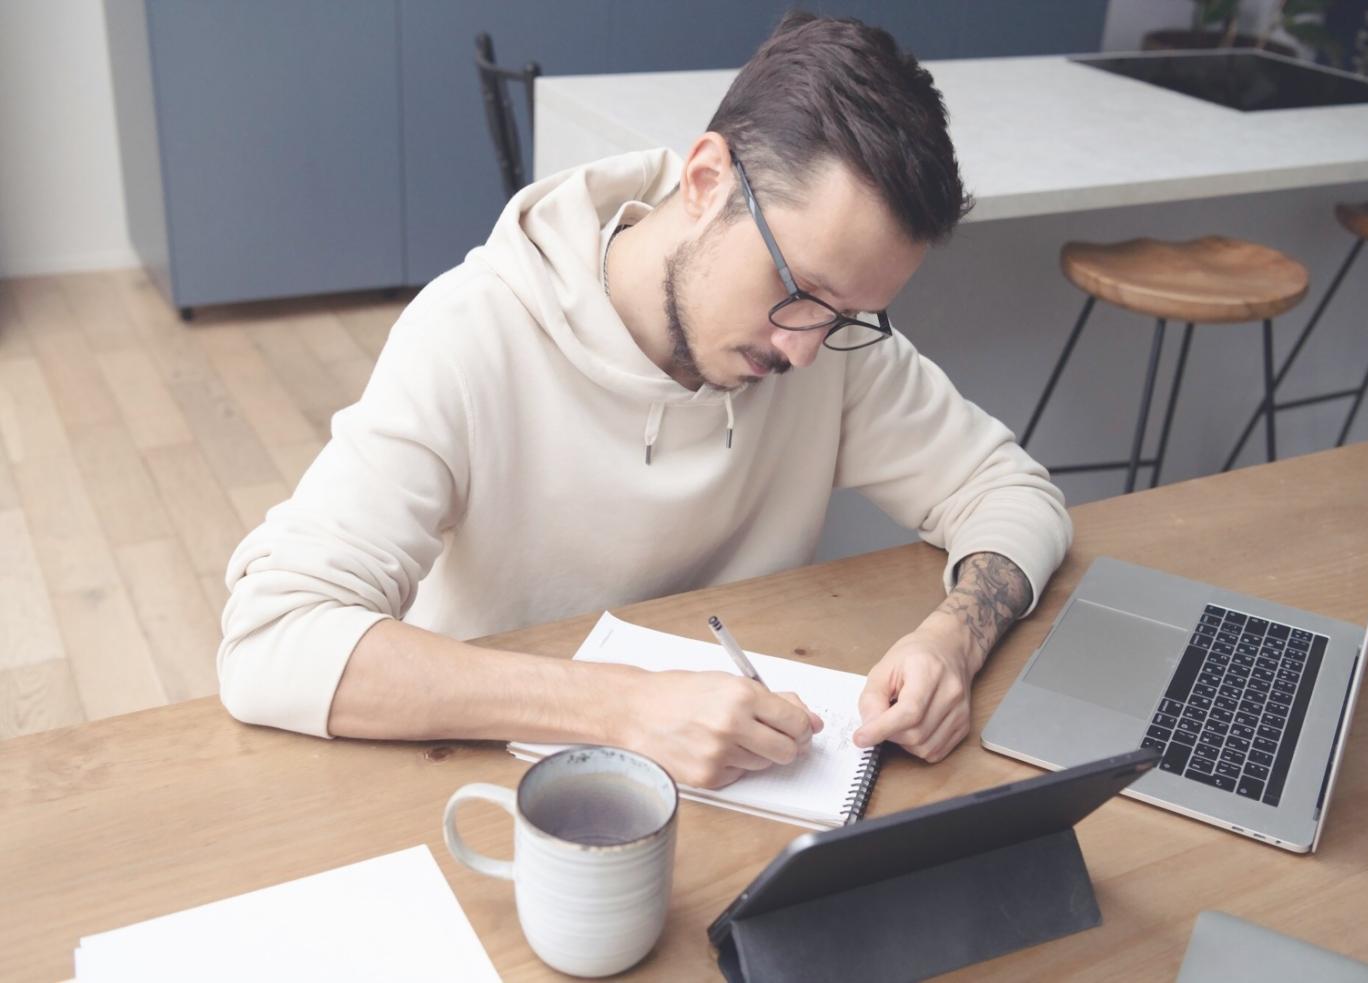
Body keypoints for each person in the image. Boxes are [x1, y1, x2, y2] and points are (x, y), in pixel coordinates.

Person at [218, 12, 1071, 789]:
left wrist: (954, 638)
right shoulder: (471, 332)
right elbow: (273, 638)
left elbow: (1014, 491)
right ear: (706, 181)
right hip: (488, 785)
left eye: (847, 314)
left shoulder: (826, 349)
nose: (806, 345)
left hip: (750, 784)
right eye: (798, 287)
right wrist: (620, 708)